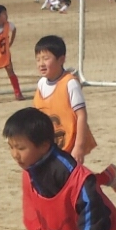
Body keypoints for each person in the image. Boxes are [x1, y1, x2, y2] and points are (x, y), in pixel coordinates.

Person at [30, 35, 93, 165]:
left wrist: (79, 147)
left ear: (61, 60)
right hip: (49, 145)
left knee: (70, 174)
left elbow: (81, 115)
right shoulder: (41, 84)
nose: (41, 64)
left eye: (46, 58)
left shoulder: (70, 83)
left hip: (69, 144)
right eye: (38, 59)